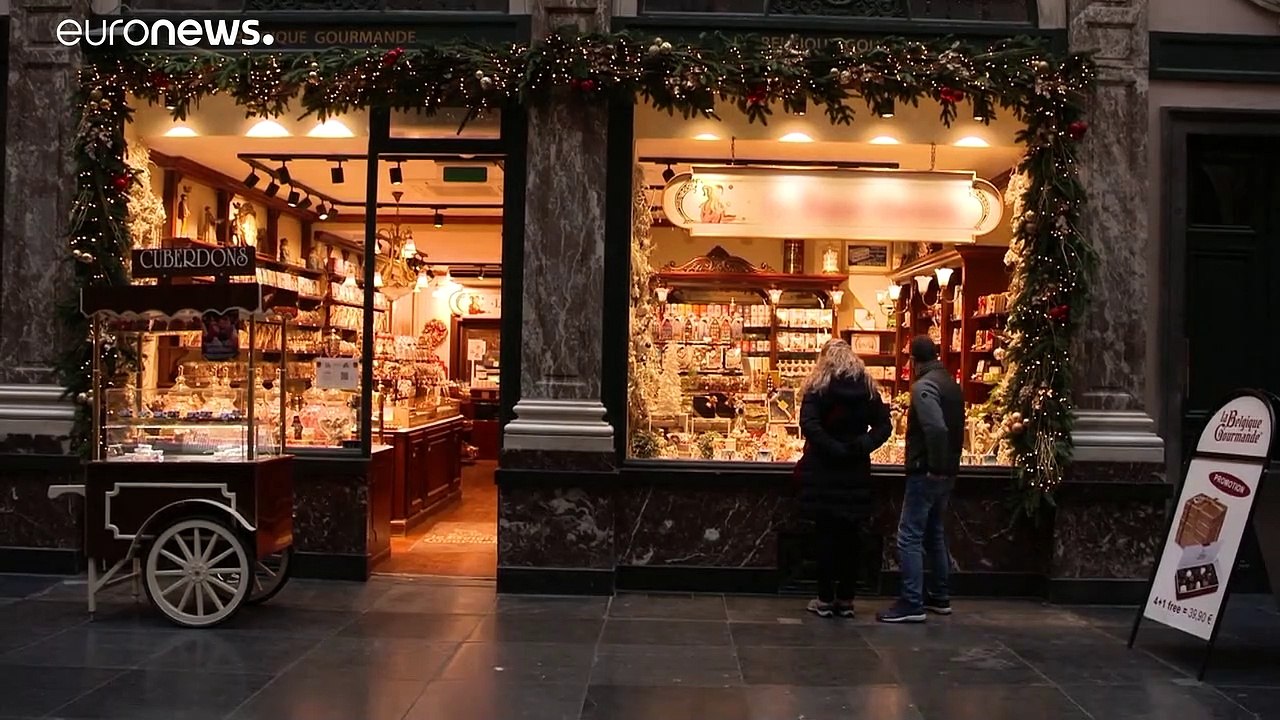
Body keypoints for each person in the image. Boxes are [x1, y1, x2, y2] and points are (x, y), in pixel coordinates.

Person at [796, 339, 892, 618]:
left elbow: (809, 424)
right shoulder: (866, 387)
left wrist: (832, 447)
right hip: (855, 471)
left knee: (825, 535)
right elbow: (884, 426)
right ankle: (847, 599)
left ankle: (825, 598)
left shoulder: (818, 386)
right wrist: (861, 446)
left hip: (824, 470)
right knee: (852, 537)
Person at [878, 336, 965, 623]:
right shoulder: (950, 383)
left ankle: (912, 601)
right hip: (948, 471)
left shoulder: (923, 386)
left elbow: (936, 428)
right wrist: (946, 466)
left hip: (926, 471)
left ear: (914, 361)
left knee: (909, 536)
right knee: (934, 532)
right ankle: (940, 595)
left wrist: (934, 466)